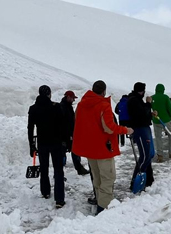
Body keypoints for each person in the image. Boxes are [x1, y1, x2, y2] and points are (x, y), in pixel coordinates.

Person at [73, 81, 132, 214]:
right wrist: (125, 130)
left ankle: (100, 201)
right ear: (103, 91)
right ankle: (104, 209)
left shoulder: (81, 105)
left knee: (97, 177)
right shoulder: (103, 105)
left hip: (89, 149)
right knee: (108, 178)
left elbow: (78, 121)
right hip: (103, 149)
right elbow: (109, 128)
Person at [27, 85, 68, 208]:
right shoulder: (55, 107)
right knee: (58, 170)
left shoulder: (33, 108)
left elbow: (30, 128)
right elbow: (63, 126)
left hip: (42, 143)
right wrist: (64, 142)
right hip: (56, 143)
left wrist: (31, 145)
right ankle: (59, 199)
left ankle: (45, 192)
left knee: (44, 168)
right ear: (49, 94)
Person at [127, 82, 156, 190]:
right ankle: (136, 181)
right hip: (140, 130)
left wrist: (150, 113)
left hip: (144, 128)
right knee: (145, 155)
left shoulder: (137, 99)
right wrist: (148, 104)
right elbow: (140, 114)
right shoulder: (134, 100)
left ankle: (148, 178)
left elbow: (143, 112)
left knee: (150, 153)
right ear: (141, 91)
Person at [60, 90, 90, 176]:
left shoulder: (68, 106)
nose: (74, 100)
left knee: (75, 150)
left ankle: (79, 168)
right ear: (68, 97)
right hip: (64, 135)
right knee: (62, 155)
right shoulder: (62, 107)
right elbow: (63, 123)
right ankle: (59, 173)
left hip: (71, 134)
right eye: (73, 98)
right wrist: (67, 134)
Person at [150, 83, 171, 162]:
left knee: (158, 138)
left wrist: (152, 118)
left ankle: (160, 155)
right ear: (163, 90)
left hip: (156, 121)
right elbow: (170, 108)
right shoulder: (165, 97)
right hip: (166, 120)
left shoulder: (152, 98)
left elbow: (149, 109)